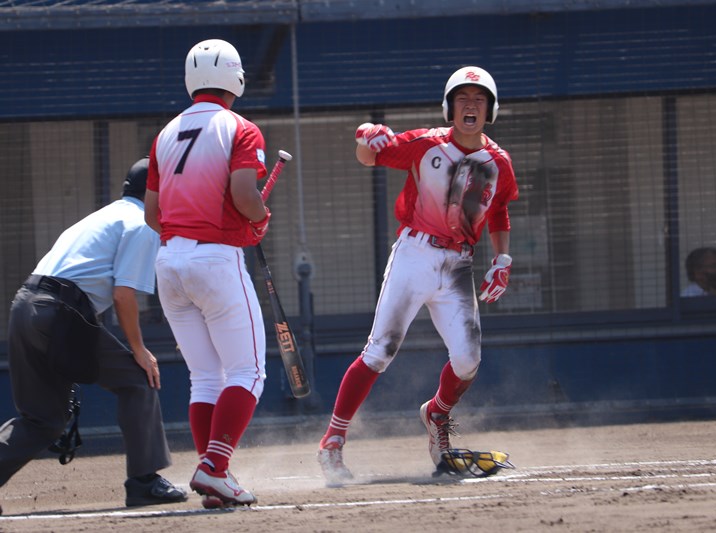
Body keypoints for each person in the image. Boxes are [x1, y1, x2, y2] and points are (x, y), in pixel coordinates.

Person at [316, 66, 519, 484]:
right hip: (415, 253)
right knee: (379, 351)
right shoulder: (426, 143)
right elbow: (369, 156)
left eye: (479, 99)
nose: (470, 105)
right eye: (462, 98)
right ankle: (332, 443)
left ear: (491, 110)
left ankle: (436, 414)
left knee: (467, 362)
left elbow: (498, 208)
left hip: (459, 263)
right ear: (449, 106)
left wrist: (503, 258)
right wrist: (365, 137)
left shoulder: (497, 161)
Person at [0, 158, 187, 509]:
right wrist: (139, 349)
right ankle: (144, 481)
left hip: (25, 306)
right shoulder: (143, 224)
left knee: (42, 420)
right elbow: (122, 295)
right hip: (61, 312)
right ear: (155, 193)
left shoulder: (101, 217)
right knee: (138, 379)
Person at [144, 38, 270, 509]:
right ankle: (215, 468)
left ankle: (212, 474)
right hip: (215, 260)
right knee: (249, 371)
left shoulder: (165, 132)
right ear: (236, 79)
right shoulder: (242, 128)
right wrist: (258, 219)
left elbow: (152, 215)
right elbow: (244, 194)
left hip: (169, 263)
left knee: (205, 378)